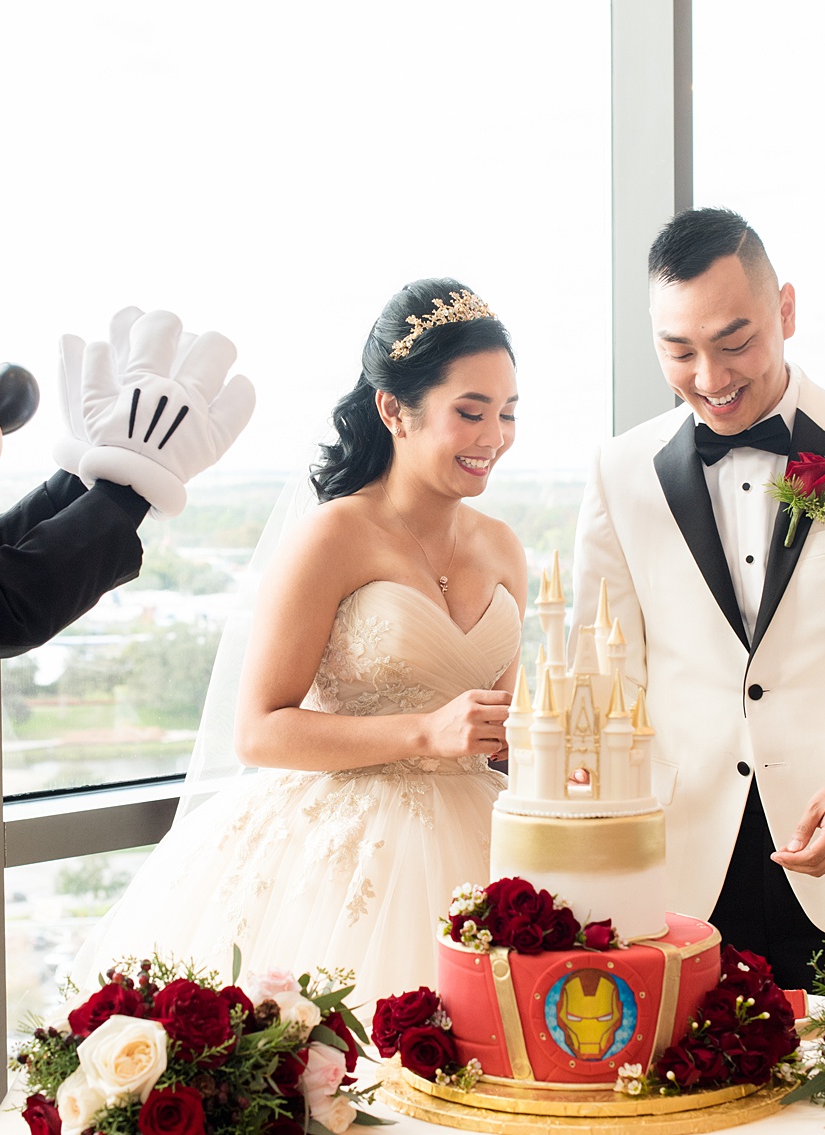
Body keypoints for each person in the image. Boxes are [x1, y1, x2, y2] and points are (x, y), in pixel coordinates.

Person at [65, 278, 525, 1010]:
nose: (494, 437)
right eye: (470, 412)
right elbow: (259, 728)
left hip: (489, 839)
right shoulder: (334, 535)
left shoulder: (504, 548)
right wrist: (425, 731)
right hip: (344, 852)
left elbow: (503, 729)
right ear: (393, 408)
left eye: (506, 413)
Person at [570, 208, 825, 991]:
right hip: (682, 880)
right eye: (678, 351)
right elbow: (604, 677)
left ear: (786, 309)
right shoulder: (618, 474)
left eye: (735, 341)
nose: (711, 380)